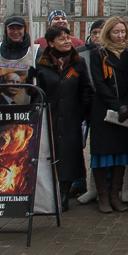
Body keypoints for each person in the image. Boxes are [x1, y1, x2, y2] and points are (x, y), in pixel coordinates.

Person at [34, 25, 93, 213]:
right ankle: (47, 194)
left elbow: (85, 90)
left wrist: (86, 114)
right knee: (48, 156)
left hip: (71, 119)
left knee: (69, 157)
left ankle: (64, 194)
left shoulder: (77, 63)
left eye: (68, 37)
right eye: (61, 38)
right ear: (51, 43)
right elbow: (36, 92)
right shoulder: (41, 64)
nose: (67, 41)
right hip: (48, 118)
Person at [87, 16, 128, 214]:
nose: (120, 36)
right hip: (104, 110)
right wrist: (117, 105)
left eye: (123, 32)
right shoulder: (97, 54)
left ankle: (115, 195)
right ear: (108, 33)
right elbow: (99, 84)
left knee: (120, 154)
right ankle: (103, 196)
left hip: (125, 111)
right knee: (102, 154)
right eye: (116, 32)